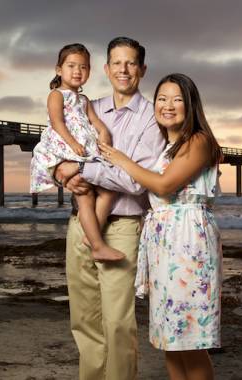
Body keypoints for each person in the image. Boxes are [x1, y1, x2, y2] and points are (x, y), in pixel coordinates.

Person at [53, 37, 166, 380]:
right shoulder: (85, 105)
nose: (123, 69)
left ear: (142, 70)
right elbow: (58, 148)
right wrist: (61, 173)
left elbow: (135, 181)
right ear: (105, 69)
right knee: (84, 319)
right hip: (80, 224)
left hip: (123, 228)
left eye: (131, 63)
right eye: (116, 62)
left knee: (117, 322)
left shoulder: (151, 117)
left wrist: (81, 169)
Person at [100, 73, 223, 380]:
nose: (168, 106)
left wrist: (121, 159)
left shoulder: (199, 140)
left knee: (190, 340)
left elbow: (165, 185)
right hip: (164, 241)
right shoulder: (167, 147)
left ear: (190, 105)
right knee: (170, 337)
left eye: (177, 99)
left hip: (188, 242)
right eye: (162, 99)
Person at [30, 43, 124, 262]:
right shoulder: (56, 95)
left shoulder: (83, 100)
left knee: (108, 190)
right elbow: (57, 122)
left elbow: (95, 120)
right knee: (85, 194)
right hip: (66, 147)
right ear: (58, 69)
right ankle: (98, 244)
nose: (77, 71)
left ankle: (92, 237)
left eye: (83, 67)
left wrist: (103, 131)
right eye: (71, 65)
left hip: (84, 148)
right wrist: (72, 144)